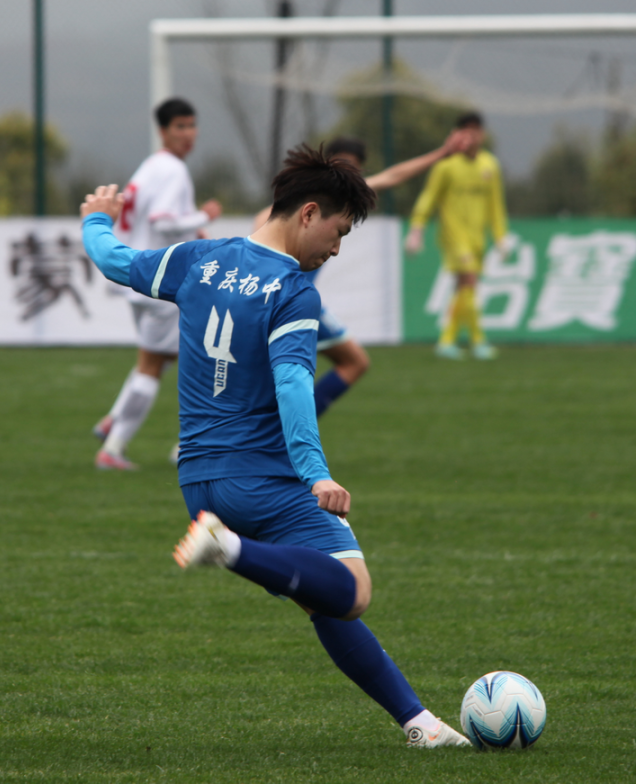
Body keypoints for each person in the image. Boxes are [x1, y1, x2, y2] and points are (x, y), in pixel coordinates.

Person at [79, 146, 471, 748]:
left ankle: (420, 725)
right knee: (352, 590)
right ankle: (229, 548)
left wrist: (96, 220)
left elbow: (115, 261)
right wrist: (316, 473)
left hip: (198, 483)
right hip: (259, 480)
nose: (336, 249)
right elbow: (293, 384)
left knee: (318, 599)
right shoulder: (293, 290)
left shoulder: (197, 259)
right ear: (309, 213)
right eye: (339, 232)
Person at [252, 132, 468, 416]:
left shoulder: (340, 198)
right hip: (285, 301)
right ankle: (284, 425)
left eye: (354, 167)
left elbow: (392, 177)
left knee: (350, 363)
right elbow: (262, 228)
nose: (335, 247)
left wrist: (441, 153)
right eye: (343, 163)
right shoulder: (297, 204)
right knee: (283, 375)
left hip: (298, 301)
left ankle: (287, 425)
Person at [92, 97, 221, 470]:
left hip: (138, 275)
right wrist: (202, 216)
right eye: (179, 126)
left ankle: (114, 420)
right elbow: (163, 221)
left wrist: (191, 227)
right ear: (163, 131)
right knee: (185, 361)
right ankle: (116, 447)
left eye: (191, 125)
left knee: (158, 359)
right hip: (162, 280)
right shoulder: (173, 170)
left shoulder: (151, 166)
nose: (188, 133)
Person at [404, 112, 510, 360]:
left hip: (477, 238)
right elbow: (429, 198)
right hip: (453, 236)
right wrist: (417, 228)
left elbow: (496, 205)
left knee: (464, 289)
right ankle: (478, 340)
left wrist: (500, 236)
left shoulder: (490, 165)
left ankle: (447, 340)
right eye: (466, 131)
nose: (471, 136)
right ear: (457, 135)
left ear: (482, 134)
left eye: (476, 131)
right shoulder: (446, 165)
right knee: (469, 281)